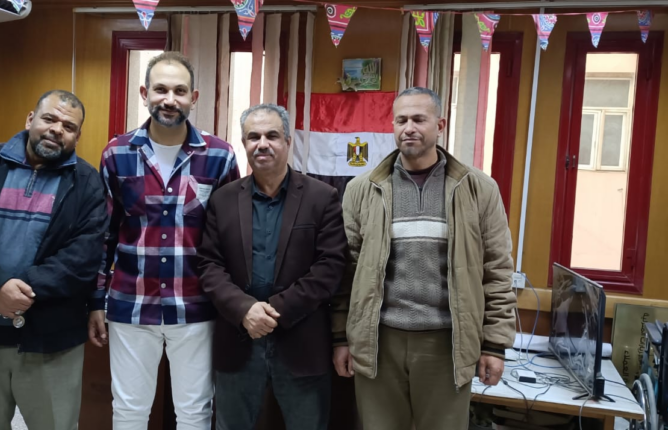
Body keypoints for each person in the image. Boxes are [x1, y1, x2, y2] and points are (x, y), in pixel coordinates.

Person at [332, 86, 516, 430]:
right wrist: (342, 337)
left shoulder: (478, 189)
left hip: (447, 345)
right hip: (378, 343)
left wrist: (495, 344)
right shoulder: (362, 190)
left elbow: (498, 270)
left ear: (440, 125)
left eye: (419, 119)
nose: (409, 128)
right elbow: (346, 272)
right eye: (401, 120)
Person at [90, 51, 239, 430]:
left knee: (194, 411)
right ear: (144, 94)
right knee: (129, 410)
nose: (169, 99)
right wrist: (95, 300)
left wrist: (231, 303)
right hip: (131, 305)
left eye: (179, 91)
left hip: (196, 306)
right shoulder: (117, 153)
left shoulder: (219, 156)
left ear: (194, 98)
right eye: (160, 89)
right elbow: (103, 235)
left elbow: (231, 238)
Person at [0, 90, 107, 430]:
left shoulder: (88, 183)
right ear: (31, 119)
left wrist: (19, 292)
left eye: (69, 127)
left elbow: (83, 256)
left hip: (52, 344)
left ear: (77, 137)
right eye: (49, 119)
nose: (57, 129)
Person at [197, 104, 347, 430]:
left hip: (301, 342)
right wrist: (244, 310)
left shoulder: (322, 197)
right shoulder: (222, 200)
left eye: (272, 136)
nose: (262, 144)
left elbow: (330, 266)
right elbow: (209, 264)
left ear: (288, 141)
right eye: (253, 137)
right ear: (244, 143)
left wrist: (275, 311)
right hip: (238, 341)